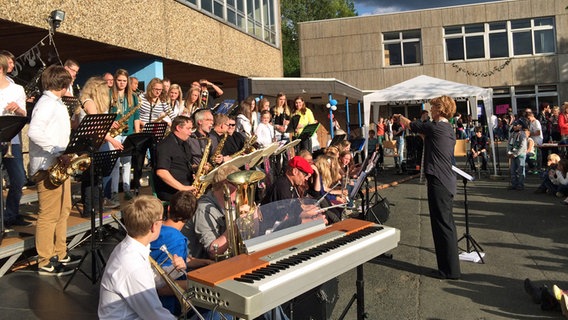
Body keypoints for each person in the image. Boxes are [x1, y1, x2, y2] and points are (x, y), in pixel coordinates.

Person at [395, 95, 461, 280]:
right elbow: (425, 137)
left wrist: (400, 118)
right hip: (445, 180)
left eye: (432, 108)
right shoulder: (446, 128)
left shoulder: (436, 126)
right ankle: (448, 268)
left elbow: (412, 125)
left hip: (439, 180)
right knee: (445, 224)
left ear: (439, 109)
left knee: (442, 225)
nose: (430, 110)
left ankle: (448, 271)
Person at [28, 65, 78, 276]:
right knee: (48, 215)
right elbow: (34, 132)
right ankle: (45, 260)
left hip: (59, 165)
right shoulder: (46, 103)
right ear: (63, 83)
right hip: (48, 166)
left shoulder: (55, 103)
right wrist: (58, 151)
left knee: (64, 210)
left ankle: (60, 252)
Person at [98, 196, 177, 319]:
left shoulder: (127, 247)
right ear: (153, 226)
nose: (163, 223)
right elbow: (155, 316)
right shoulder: (133, 265)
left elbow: (150, 279)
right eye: (162, 219)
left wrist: (174, 269)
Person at [149, 190, 214, 316]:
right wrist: (201, 285)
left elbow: (180, 261)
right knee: (218, 308)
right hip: (169, 305)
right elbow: (164, 287)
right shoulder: (177, 240)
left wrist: (205, 262)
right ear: (191, 217)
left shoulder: (156, 229)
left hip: (153, 298)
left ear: (168, 208)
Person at [0, 53, 29, 227]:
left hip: (12, 141)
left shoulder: (17, 89)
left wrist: (17, 109)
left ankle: (11, 214)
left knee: (18, 179)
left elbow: (24, 114)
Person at [155, 115, 196, 202]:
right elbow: (161, 172)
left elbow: (188, 164)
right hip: (172, 192)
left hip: (186, 186)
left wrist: (198, 168)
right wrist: (182, 188)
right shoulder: (165, 145)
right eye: (188, 129)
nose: (190, 132)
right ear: (178, 128)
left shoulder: (185, 144)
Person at [507, 120, 528, 190]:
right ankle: (514, 184)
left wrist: (516, 154)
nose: (514, 126)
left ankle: (520, 184)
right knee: (512, 170)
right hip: (512, 154)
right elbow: (509, 144)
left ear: (521, 126)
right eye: (514, 125)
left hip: (520, 155)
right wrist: (509, 152)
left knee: (520, 170)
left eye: (516, 125)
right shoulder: (512, 134)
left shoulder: (522, 134)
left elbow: (523, 146)